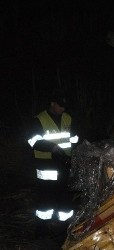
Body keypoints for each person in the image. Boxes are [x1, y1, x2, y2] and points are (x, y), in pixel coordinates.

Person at [26, 90, 79, 235]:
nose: (63, 109)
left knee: (65, 199)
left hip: (65, 164)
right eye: (60, 106)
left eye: (64, 106)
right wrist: (52, 147)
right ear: (52, 103)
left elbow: (74, 139)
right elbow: (33, 141)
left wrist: (77, 150)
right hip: (47, 167)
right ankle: (41, 231)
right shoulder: (39, 119)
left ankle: (63, 231)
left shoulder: (68, 118)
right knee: (46, 201)